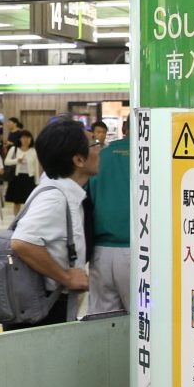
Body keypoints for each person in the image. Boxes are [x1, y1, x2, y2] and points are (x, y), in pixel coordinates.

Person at [9, 121, 97, 326]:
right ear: (78, 160)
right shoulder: (56, 199)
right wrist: (65, 277)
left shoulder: (63, 191)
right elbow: (22, 241)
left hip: (48, 305)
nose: (100, 150)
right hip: (45, 310)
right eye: (94, 145)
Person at [82, 134, 132, 317]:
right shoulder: (154, 153)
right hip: (140, 254)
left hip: (100, 254)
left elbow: (85, 203)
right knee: (144, 323)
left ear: (125, 128)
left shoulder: (101, 156)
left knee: (103, 324)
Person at [3, 130, 38, 213]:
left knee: (29, 202)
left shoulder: (33, 151)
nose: (26, 140)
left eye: (28, 138)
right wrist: (17, 160)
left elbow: (36, 167)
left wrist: (37, 181)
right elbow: (6, 161)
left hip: (29, 178)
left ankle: (27, 220)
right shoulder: (14, 149)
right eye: (23, 138)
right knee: (17, 202)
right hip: (17, 178)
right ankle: (16, 220)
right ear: (19, 139)